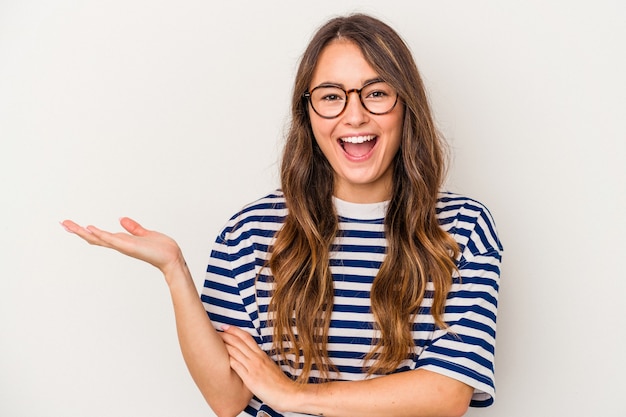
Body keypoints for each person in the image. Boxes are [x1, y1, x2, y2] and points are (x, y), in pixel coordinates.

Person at [62, 13, 503, 417]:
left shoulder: (463, 229)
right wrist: (175, 270)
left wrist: (294, 395)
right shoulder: (249, 233)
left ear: (405, 105)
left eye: (376, 93)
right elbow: (227, 397)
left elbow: (448, 394)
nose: (354, 115)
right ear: (307, 114)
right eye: (331, 96)